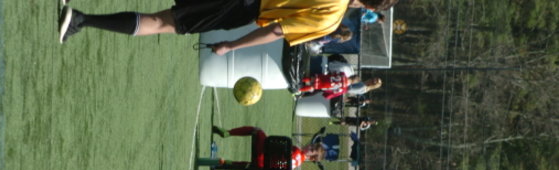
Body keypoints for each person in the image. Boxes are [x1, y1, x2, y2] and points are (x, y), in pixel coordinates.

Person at [58, 0, 399, 53]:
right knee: (166, 22)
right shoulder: (330, 18)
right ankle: (81, 20)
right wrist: (232, 46)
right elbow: (276, 30)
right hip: (243, 6)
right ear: (370, 8)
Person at [211, 126, 326, 170]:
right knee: (251, 168)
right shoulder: (297, 164)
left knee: (257, 130)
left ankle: (227, 133)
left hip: (263, 152)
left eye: (312, 150)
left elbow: (276, 148)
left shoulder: (296, 151)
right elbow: (279, 165)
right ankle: (224, 166)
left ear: (311, 158)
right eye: (312, 145)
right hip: (263, 166)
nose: (309, 147)